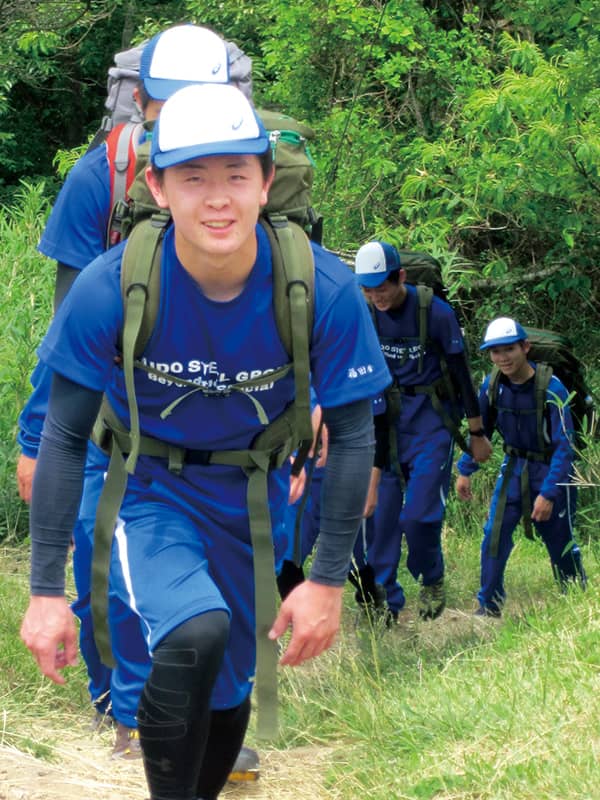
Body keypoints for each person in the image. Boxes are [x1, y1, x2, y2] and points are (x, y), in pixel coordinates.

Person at [20, 82, 391, 800]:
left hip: (251, 498)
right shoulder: (113, 286)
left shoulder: (322, 287)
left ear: (264, 182)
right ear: (157, 186)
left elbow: (351, 437)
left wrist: (325, 580)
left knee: (229, 690)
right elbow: (65, 434)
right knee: (196, 632)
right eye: (193, 177)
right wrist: (43, 592)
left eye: (235, 176)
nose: (216, 198)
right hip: (141, 485)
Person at [15, 24, 256, 766]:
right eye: (169, 102)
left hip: (221, 404)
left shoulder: (252, 177)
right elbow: (68, 325)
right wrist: (35, 438)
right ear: (141, 101)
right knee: (102, 559)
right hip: (111, 409)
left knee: (220, 571)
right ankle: (127, 711)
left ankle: (209, 717)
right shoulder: (103, 178)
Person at [354, 240, 492, 620]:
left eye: (382, 286)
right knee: (380, 519)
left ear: (400, 277)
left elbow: (462, 376)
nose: (376, 295)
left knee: (418, 516)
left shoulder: (436, 312)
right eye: (368, 288)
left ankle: (431, 578)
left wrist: (476, 433)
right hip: (384, 423)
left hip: (432, 422)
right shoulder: (365, 312)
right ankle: (383, 602)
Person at [456, 317, 587, 616]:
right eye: (495, 351)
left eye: (508, 349)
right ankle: (488, 606)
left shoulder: (552, 389)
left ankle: (575, 598)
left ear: (525, 347)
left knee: (560, 540)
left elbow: (565, 448)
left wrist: (549, 494)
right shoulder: (492, 385)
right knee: (494, 536)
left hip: (551, 470)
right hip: (514, 467)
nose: (502, 357)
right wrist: (465, 469)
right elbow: (481, 431)